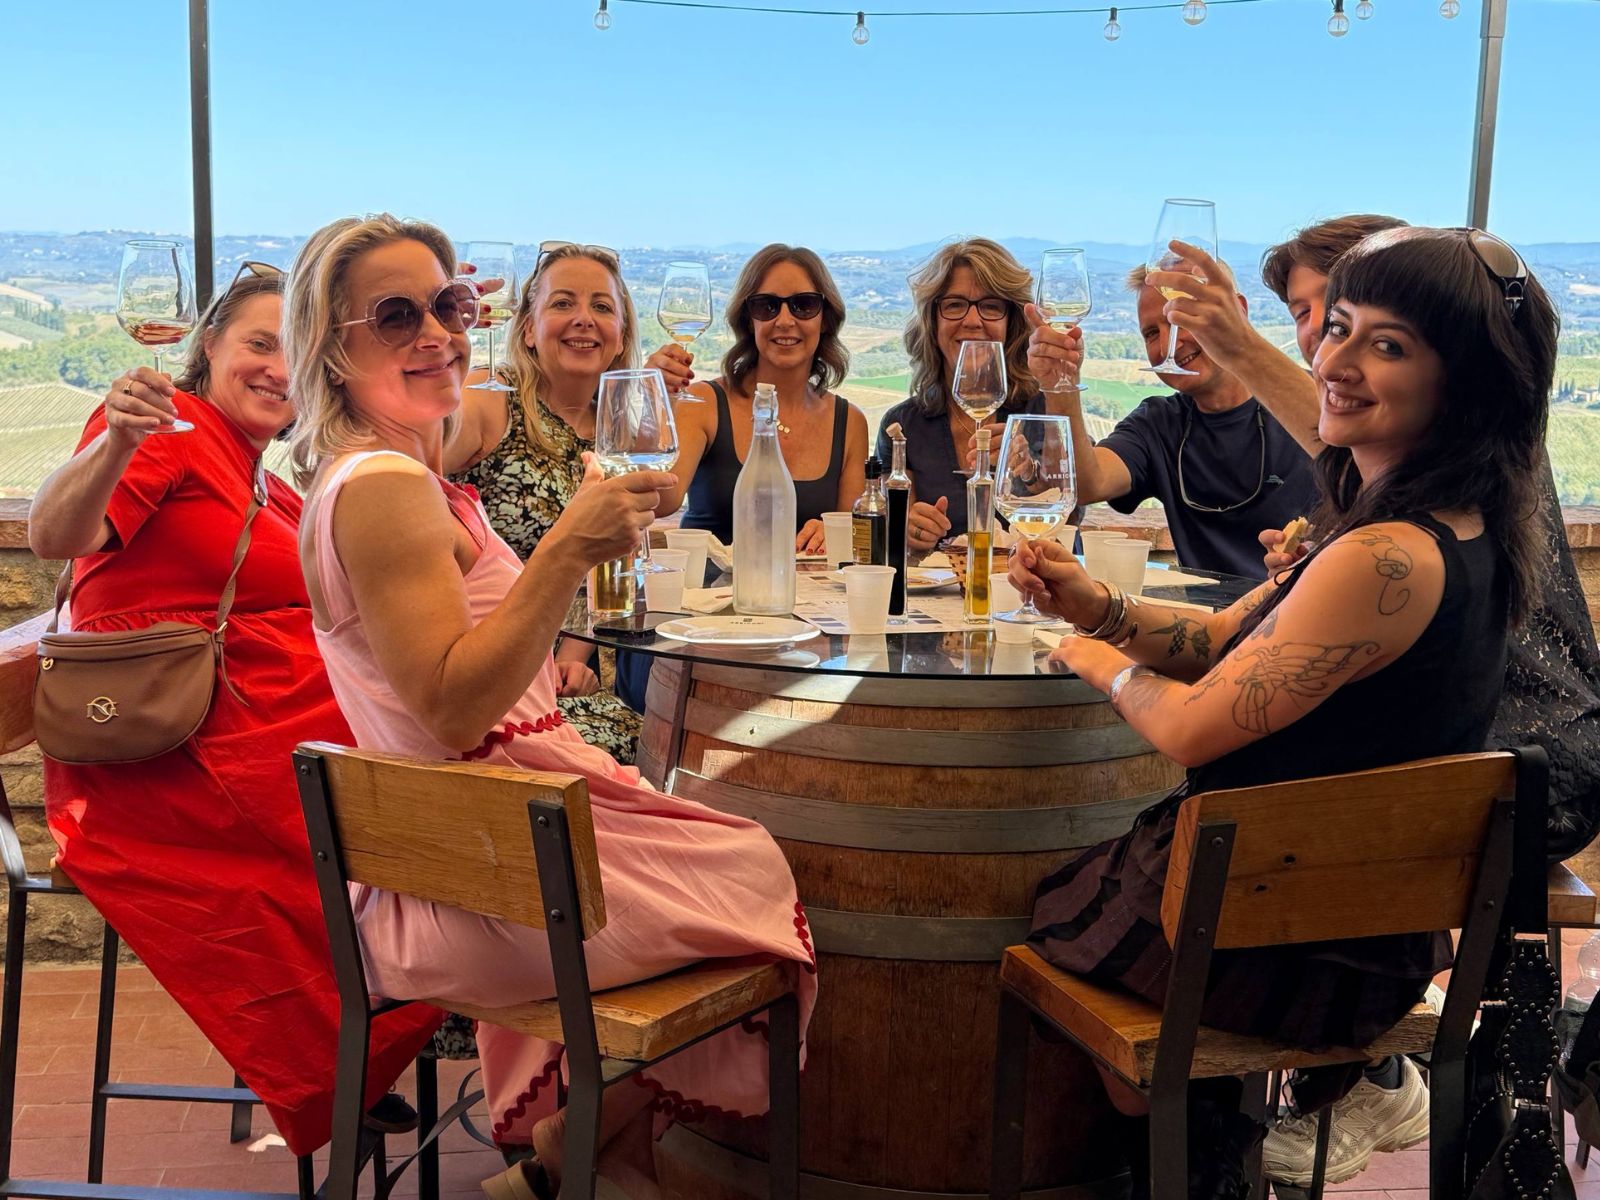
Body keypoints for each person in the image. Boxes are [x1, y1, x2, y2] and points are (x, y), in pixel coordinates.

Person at [1011, 225, 1554, 1198]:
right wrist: (1092, 602)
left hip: (1292, 947)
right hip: (1358, 923)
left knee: (1037, 909)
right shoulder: (1457, 522)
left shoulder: (1382, 556)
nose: (1333, 363)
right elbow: (1222, 636)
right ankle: (1201, 1142)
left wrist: (1084, 655)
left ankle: (1190, 1155)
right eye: (1333, 329)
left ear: (1464, 381)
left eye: (1384, 345)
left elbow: (1185, 725)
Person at [284, 215, 818, 1199]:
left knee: (727, 852)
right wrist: (569, 547)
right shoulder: (386, 491)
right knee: (768, 877)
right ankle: (574, 1145)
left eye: (446, 305)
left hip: (485, 857)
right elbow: (449, 709)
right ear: (328, 344)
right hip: (487, 883)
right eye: (395, 316)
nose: (435, 334)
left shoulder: (388, 473)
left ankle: (586, 1166)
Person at [1154, 213, 1600, 1185]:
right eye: (1319, 323)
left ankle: (1364, 1070)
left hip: (1514, 771)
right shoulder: (1409, 495)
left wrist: (1240, 349)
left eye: (1341, 320)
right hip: (1451, 778)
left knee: (1231, 832)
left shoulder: (1465, 464)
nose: (1325, 349)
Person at [27, 264, 441, 1157]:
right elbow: (56, 536)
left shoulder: (266, 473)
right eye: (259, 344)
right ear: (206, 343)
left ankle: (360, 1039)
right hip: (167, 755)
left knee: (423, 797)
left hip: (252, 735)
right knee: (418, 827)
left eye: (298, 352)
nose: (277, 369)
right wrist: (112, 445)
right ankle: (358, 1041)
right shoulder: (162, 429)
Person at [443, 242, 671, 763]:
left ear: (621, 339)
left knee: (661, 734)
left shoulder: (617, 437)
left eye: (602, 307)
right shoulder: (489, 403)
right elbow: (410, 457)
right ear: (526, 328)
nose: (584, 319)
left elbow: (610, 554)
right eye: (563, 303)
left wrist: (574, 653)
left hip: (561, 675)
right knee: (643, 745)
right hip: (481, 672)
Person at [1027, 261, 1317, 579]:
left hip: (1308, 614)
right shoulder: (1160, 424)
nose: (1168, 346)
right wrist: (1060, 384)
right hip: (1204, 620)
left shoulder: (1310, 404)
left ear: (1238, 311)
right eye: (1152, 333)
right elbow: (1084, 484)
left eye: (1180, 319)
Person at [652, 243, 868, 552]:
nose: (784, 320)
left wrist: (834, 532)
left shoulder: (850, 424)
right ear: (747, 320)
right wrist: (649, 398)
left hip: (810, 598)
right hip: (709, 596)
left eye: (803, 305)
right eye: (766, 306)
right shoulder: (705, 403)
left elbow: (855, 543)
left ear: (825, 319)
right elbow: (661, 500)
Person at [873, 238, 1059, 552]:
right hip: (938, 596)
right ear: (932, 321)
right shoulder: (903, 425)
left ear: (1011, 322)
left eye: (990, 306)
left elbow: (1072, 515)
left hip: (1028, 594)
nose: (972, 321)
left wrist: (1028, 471)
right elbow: (896, 532)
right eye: (955, 305)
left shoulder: (1046, 411)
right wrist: (910, 530)